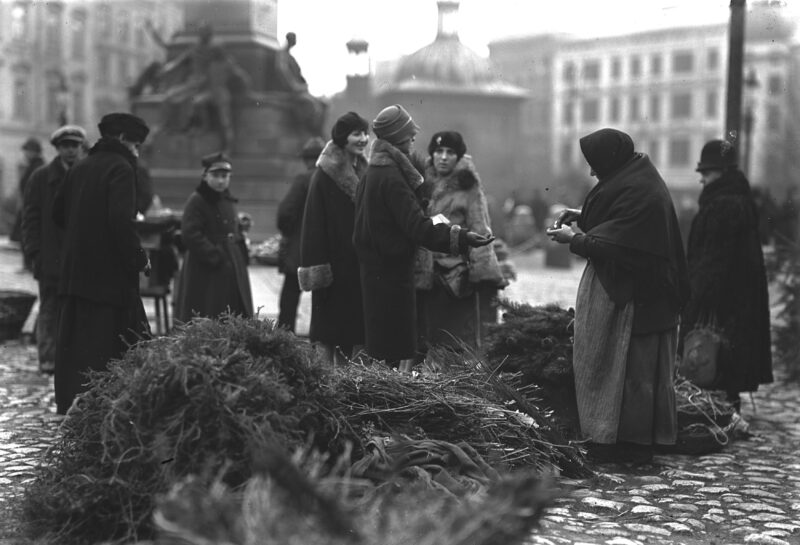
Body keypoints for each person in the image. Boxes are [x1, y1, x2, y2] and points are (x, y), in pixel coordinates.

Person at [547, 128, 690, 463]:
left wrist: (574, 240)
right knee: (632, 372)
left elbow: (620, 243)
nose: (593, 171)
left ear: (611, 159)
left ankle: (634, 446)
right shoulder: (636, 178)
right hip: (645, 297)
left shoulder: (641, 191)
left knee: (636, 372)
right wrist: (580, 215)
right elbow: (619, 222)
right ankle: (628, 440)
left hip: (642, 301)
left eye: (596, 164)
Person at [353, 105, 495, 368]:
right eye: (409, 135)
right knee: (391, 352)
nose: (413, 139)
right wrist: (460, 238)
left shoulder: (373, 173)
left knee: (383, 350)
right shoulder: (392, 178)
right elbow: (417, 227)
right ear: (397, 137)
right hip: (393, 275)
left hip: (377, 272)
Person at [52, 113, 152, 415]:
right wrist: (139, 256)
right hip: (109, 278)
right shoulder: (121, 168)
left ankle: (73, 404)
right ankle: (111, 407)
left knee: (78, 342)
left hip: (76, 273)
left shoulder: (80, 166)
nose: (137, 151)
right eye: (135, 144)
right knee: (111, 342)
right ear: (122, 140)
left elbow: (58, 213)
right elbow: (121, 221)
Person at [680, 140, 772, 412]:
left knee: (714, 348)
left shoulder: (722, 205)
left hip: (722, 295)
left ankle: (718, 409)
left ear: (721, 172)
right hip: (739, 294)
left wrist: (695, 297)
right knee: (729, 350)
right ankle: (727, 402)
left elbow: (713, 260)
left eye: (706, 173)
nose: (702, 179)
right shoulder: (739, 200)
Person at [416, 131, 507, 353]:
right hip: (420, 273)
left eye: (450, 152)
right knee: (418, 341)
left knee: (449, 342)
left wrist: (483, 275)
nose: (444, 157)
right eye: (439, 151)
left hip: (452, 276)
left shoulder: (468, 187)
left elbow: (480, 229)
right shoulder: (420, 181)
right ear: (432, 154)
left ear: (458, 157)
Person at [298, 113, 369, 365]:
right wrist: (318, 271)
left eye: (365, 133)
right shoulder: (324, 176)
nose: (363, 139)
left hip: (357, 269)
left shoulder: (364, 171)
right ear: (342, 138)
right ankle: (329, 389)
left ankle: (354, 391)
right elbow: (313, 226)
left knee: (357, 334)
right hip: (333, 272)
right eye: (356, 134)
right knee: (330, 336)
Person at [22, 125, 86, 375]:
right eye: (65, 146)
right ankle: (48, 357)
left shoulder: (85, 176)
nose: (70, 151)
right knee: (49, 308)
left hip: (78, 257)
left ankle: (73, 357)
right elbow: (30, 219)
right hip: (50, 256)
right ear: (57, 149)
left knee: (76, 309)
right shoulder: (40, 178)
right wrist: (35, 253)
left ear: (81, 148)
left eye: (74, 146)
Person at [174, 152, 253, 323]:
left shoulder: (227, 198)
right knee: (209, 309)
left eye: (224, 176)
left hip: (230, 263)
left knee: (231, 309)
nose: (220, 181)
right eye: (215, 175)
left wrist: (240, 229)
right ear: (204, 176)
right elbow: (190, 233)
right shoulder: (198, 200)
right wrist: (215, 256)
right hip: (207, 268)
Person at [276, 136, 325, 333]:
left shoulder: (303, 179)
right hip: (323, 251)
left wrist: (289, 234)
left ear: (306, 159)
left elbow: (285, 213)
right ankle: (319, 339)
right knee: (321, 298)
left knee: (290, 297)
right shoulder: (331, 179)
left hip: (299, 250)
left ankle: (284, 336)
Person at [10, 137, 45, 271]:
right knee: (26, 236)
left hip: (32, 207)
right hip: (27, 205)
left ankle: (30, 265)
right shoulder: (32, 165)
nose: (26, 154)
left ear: (35, 152)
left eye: (29, 151)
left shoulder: (38, 166)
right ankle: (28, 265)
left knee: (29, 236)